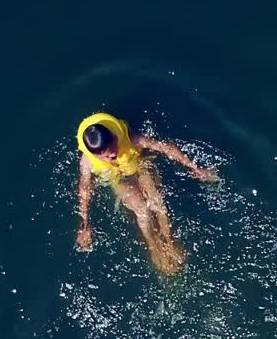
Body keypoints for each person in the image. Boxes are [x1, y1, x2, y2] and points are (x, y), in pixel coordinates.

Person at [74, 112, 218, 274]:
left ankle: (169, 239)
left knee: (158, 203)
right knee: (142, 210)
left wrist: (195, 168)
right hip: (119, 179)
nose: (112, 156)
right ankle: (153, 246)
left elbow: (164, 147)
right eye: (105, 156)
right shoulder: (87, 162)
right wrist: (84, 224)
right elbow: (84, 189)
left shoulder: (131, 139)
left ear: (115, 137)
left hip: (139, 166)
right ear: (94, 154)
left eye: (112, 150)